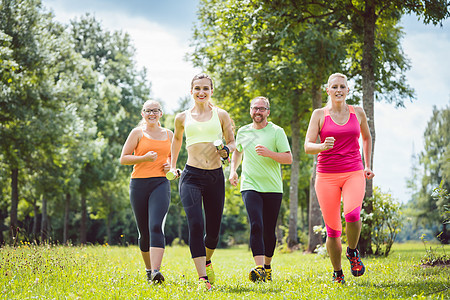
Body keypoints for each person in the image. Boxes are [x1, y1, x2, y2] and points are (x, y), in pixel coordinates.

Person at [304, 73, 375, 284]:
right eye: (334, 86)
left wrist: (368, 165)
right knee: (333, 231)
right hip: (326, 176)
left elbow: (367, 137)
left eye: (342, 86)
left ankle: (352, 252)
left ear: (348, 90)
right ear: (328, 90)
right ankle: (337, 272)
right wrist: (321, 146)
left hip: (354, 171)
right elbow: (308, 145)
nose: (338, 90)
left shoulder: (358, 112)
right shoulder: (319, 114)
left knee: (352, 215)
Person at [169, 73, 236, 291]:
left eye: (206, 88)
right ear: (191, 91)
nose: (201, 92)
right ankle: (202, 279)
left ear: (211, 91)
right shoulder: (182, 117)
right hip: (191, 176)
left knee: (214, 232)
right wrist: (172, 165)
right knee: (196, 223)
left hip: (215, 177)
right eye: (197, 88)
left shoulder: (221, 115)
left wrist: (226, 151)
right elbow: (177, 140)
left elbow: (232, 142)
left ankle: (207, 260)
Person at [229, 96, 292, 283]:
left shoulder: (276, 132)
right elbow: (238, 152)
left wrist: (270, 153)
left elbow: (288, 158)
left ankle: (267, 267)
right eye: (255, 108)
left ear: (268, 112)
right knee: (256, 224)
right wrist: (233, 171)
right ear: (250, 111)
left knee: (269, 230)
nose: (258, 112)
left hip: (272, 187)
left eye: (262, 109)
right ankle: (258, 268)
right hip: (250, 185)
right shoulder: (243, 131)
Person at [119, 100, 173, 284]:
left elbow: (173, 163)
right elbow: (123, 158)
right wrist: (144, 158)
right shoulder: (137, 133)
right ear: (143, 113)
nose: (152, 113)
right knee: (144, 232)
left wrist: (171, 168)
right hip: (139, 184)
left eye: (155, 110)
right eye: (148, 111)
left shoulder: (169, 134)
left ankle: (157, 271)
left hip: (161, 183)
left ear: (161, 113)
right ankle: (149, 271)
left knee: (156, 226)